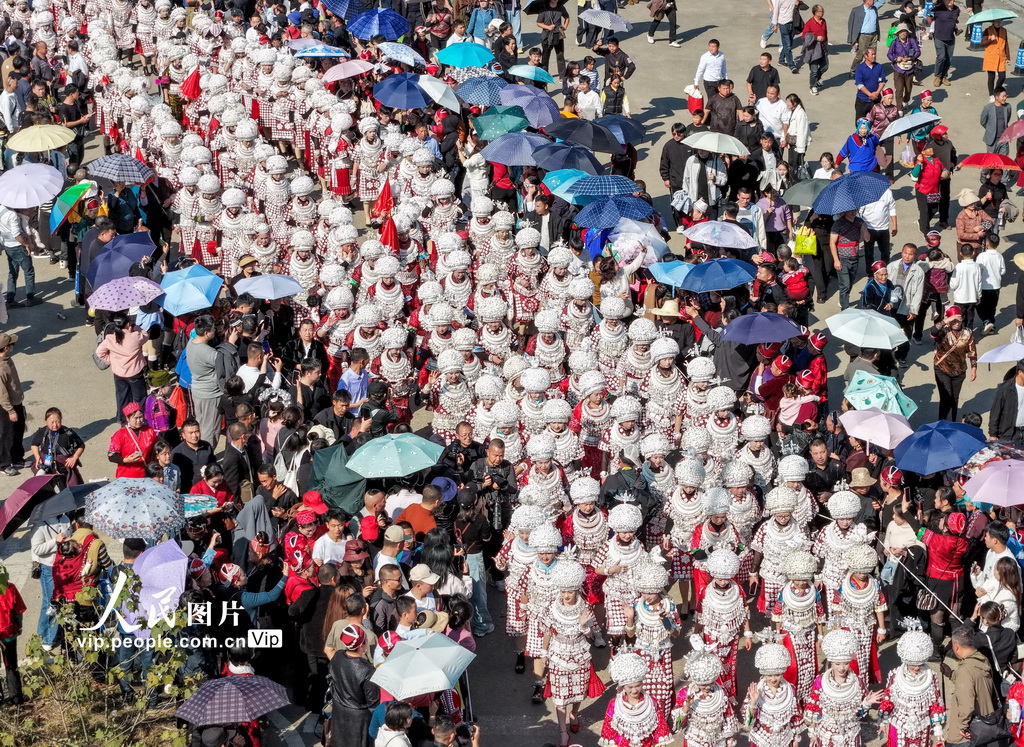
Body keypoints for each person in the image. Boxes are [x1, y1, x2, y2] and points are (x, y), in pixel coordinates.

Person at [943, 625, 996, 747]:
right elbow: (974, 681)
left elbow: (967, 705)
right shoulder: (982, 659)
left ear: (956, 646)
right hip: (984, 725)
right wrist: (951, 674)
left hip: (966, 735)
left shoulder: (965, 670)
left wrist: (962, 726)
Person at [328, 623, 380, 747]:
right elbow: (374, 704)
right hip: (359, 720)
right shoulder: (368, 671)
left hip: (339, 710)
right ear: (362, 645)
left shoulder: (338, 655)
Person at [29, 407, 85, 485]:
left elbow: (81, 445)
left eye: (58, 422)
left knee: (71, 488)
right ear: (46, 421)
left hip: (64, 467)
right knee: (43, 487)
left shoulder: (68, 433)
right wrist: (37, 456)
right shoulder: (41, 432)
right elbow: (34, 445)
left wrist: (74, 457)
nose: (55, 425)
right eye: (52, 422)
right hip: (46, 466)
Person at [0, 204, 36, 306]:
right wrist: (26, 245)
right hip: (18, 246)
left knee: (12, 272)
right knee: (29, 271)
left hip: (7, 246)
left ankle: (10, 300)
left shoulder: (1, 209)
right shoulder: (12, 214)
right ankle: (30, 298)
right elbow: (16, 234)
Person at [988, 360, 1024, 445]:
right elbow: (995, 412)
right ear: (1020, 372)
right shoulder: (1005, 389)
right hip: (1008, 434)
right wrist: (993, 435)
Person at [853, 47, 886, 121]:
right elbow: (860, 85)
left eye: (875, 54)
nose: (874, 56)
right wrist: (870, 95)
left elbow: (882, 81)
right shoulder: (860, 68)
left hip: (876, 100)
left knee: (876, 121)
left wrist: (877, 93)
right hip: (862, 100)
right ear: (865, 56)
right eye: (872, 54)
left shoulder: (879, 67)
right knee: (860, 122)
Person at [847, 0, 879, 75]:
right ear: (867, 0)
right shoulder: (857, 10)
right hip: (863, 36)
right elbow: (851, 25)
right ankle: (853, 70)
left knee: (873, 54)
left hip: (874, 35)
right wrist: (853, 40)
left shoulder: (874, 9)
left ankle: (871, 70)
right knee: (860, 55)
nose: (874, 1)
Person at [803, 5, 829, 95]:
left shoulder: (823, 21)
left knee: (825, 66)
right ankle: (813, 86)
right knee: (814, 70)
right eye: (821, 11)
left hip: (823, 47)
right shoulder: (809, 23)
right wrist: (816, 38)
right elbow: (804, 36)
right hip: (813, 49)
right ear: (816, 12)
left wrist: (826, 44)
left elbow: (825, 33)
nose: (823, 13)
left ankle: (815, 80)